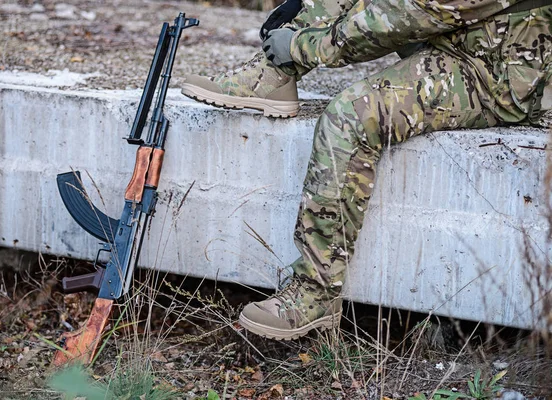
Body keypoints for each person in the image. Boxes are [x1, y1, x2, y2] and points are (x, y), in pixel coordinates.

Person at [181, 0, 552, 340]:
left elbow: (415, 13)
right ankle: (270, 76)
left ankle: (316, 293)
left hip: (500, 73)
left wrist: (303, 44)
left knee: (351, 116)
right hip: (461, 38)